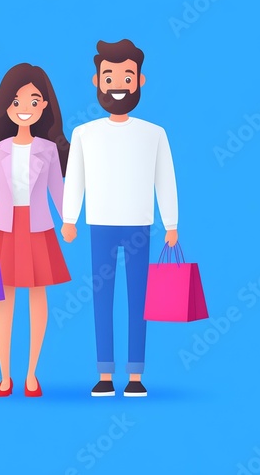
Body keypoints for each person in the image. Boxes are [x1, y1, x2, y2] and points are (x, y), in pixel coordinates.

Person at [62, 39, 178, 397]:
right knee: (102, 298)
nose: (116, 84)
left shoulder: (154, 133)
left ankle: (136, 376)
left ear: (139, 81)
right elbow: (75, 176)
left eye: (126, 76)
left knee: (139, 300)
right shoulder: (84, 133)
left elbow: (165, 178)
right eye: (108, 76)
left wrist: (171, 222)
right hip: (100, 225)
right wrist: (70, 217)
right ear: (96, 81)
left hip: (140, 226)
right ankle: (105, 374)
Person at [0, 63, 71, 397]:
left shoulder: (47, 150)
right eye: (16, 101)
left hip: (40, 227)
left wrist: (67, 218)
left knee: (38, 298)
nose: (24, 108)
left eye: (33, 100)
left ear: (44, 105)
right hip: (6, 228)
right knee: (6, 300)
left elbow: (57, 188)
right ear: (7, 106)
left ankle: (31, 374)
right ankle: (4, 376)